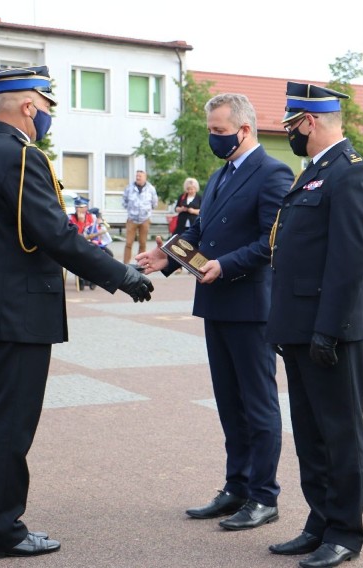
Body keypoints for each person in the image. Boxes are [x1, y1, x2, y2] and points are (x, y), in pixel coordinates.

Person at [0, 66, 154, 560]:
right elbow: (54, 234)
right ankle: (1, 531)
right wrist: (120, 274)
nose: (46, 117)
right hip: (16, 312)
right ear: (27, 106)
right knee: (9, 426)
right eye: (45, 107)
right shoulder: (21, 156)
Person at [137, 92, 292, 531]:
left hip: (249, 306)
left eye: (220, 131)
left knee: (258, 405)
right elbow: (202, 230)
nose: (213, 138)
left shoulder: (273, 173)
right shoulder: (221, 175)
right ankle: (236, 487)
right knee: (229, 403)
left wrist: (225, 265)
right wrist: (167, 255)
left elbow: (271, 242)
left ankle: (264, 496)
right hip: (217, 304)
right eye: (210, 131)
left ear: (244, 130)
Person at [265, 82, 363, 568]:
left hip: (330, 330)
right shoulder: (313, 174)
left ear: (309, 122)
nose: (289, 134)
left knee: (339, 433)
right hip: (298, 326)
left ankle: (345, 531)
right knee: (310, 433)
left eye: (292, 126)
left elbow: (350, 261)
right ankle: (319, 520)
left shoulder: (350, 174)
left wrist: (327, 329)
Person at [122, 169, 158, 263]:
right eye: (137, 176)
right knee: (128, 243)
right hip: (131, 219)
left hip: (145, 219)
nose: (138, 177)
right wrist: (130, 210)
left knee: (142, 243)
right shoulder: (129, 188)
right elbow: (124, 201)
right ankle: (125, 264)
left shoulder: (151, 189)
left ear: (145, 177)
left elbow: (154, 203)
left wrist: (146, 211)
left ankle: (140, 263)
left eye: (140, 176)